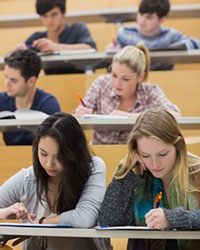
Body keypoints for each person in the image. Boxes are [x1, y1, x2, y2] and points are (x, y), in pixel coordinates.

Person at [0, 112, 109, 250]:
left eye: (60, 157)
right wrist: (4, 212)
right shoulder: (28, 177)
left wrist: (41, 223)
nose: (49, 164)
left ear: (73, 153)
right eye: (43, 154)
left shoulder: (93, 167)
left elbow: (84, 218)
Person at [99, 108, 200, 250]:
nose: (154, 164)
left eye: (163, 154)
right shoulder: (135, 174)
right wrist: (125, 172)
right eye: (146, 155)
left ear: (178, 146)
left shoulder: (197, 171)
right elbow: (108, 220)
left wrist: (172, 219)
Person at [73, 43, 181, 144]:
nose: (117, 83)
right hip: (100, 151)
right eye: (114, 75)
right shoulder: (101, 84)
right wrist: (80, 113)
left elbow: (176, 115)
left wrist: (130, 117)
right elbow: (76, 117)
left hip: (135, 155)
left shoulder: (150, 91)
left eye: (126, 79)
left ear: (140, 77)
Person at [106, 0, 200, 70]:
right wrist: (112, 52)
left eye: (149, 17)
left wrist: (185, 45)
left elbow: (194, 43)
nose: (142, 21)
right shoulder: (124, 33)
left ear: (162, 19)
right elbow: (112, 68)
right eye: (140, 14)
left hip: (164, 82)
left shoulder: (170, 35)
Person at [14, 0, 96, 74]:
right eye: (45, 16)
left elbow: (90, 48)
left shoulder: (78, 29)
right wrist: (18, 52)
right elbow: (15, 58)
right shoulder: (37, 37)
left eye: (54, 14)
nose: (49, 20)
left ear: (64, 13)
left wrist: (56, 47)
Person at [0, 49, 61, 145]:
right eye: (6, 77)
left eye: (13, 80)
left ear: (31, 81)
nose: (7, 84)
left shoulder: (49, 104)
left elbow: (56, 144)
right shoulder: (1, 100)